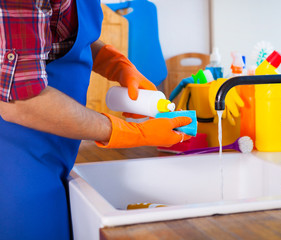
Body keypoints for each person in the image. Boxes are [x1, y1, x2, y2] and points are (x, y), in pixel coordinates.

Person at [0, 1, 192, 239]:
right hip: (14, 161)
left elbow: (57, 36)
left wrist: (115, 63)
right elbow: (21, 101)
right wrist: (130, 132)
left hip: (56, 151)